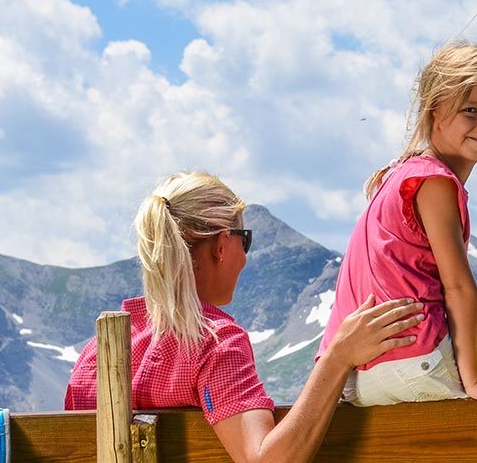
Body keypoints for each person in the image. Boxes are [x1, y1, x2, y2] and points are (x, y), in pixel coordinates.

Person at [65, 171, 426, 463]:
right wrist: (338, 358)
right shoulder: (212, 340)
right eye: (245, 240)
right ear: (222, 246)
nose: (246, 257)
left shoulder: (96, 354)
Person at [316, 41, 477, 425]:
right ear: (436, 110)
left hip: (358, 371)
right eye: (471, 110)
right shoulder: (434, 182)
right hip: (412, 357)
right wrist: (475, 380)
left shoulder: (400, 174)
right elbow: (459, 288)